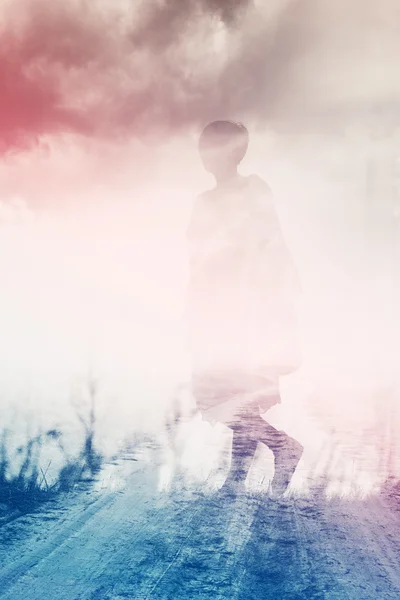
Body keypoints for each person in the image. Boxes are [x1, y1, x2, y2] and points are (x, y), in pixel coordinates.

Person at [186, 120, 303, 496]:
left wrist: (280, 298)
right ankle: (238, 477)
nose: (209, 155)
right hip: (215, 308)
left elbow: (272, 241)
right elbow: (197, 258)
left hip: (246, 309)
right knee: (226, 393)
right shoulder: (204, 200)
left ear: (237, 152)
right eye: (205, 147)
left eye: (217, 147)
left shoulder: (253, 189)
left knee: (231, 393)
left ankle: (279, 451)